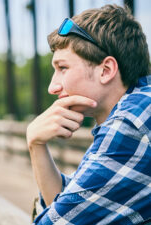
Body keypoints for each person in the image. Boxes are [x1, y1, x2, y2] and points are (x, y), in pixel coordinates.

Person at [26, 4, 151, 224]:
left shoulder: (131, 123)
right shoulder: (136, 107)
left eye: (62, 68)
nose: (52, 87)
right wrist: (35, 144)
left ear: (106, 71)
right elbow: (71, 200)